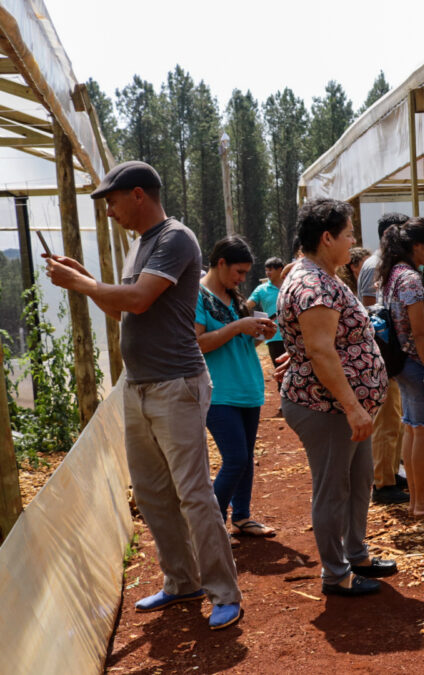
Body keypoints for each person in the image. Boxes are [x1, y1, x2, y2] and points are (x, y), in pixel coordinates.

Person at [43, 160, 243, 630]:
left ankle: (223, 592)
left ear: (137, 194)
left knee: (193, 493)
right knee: (153, 494)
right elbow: (125, 313)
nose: (109, 211)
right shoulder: (141, 248)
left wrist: (84, 284)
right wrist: (89, 282)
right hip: (139, 385)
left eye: (111, 200)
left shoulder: (175, 238)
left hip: (176, 384)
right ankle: (181, 581)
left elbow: (138, 300)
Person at [278, 198, 396, 597]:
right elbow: (321, 351)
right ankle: (335, 573)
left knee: (358, 479)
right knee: (333, 489)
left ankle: (356, 553)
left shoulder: (322, 277)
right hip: (326, 408)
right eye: (348, 234)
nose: (353, 241)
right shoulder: (313, 284)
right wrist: (351, 406)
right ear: (327, 238)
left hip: (342, 407)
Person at [195, 236, 278, 539]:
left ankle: (242, 517)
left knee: (245, 458)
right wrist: (237, 327)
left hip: (247, 387)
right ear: (220, 263)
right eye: (239, 272)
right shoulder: (198, 296)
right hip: (219, 392)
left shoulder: (235, 298)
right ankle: (210, 528)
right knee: (236, 459)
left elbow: (242, 342)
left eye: (245, 273)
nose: (242, 278)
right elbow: (198, 344)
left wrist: (261, 331)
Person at [377, 218, 424, 520]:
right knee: (423, 432)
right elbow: (419, 331)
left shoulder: (392, 274)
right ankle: (421, 502)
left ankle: (416, 499)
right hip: (415, 363)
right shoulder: (411, 279)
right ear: (418, 245)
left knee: (412, 429)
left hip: (399, 364)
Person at [363, 213, 412, 505]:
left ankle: (390, 473)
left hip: (388, 355)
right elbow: (372, 311)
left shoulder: (385, 265)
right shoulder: (375, 265)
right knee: (387, 421)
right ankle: (383, 483)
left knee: (393, 419)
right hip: (383, 354)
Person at [247, 256, 287, 368]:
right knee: (280, 370)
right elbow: (247, 305)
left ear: (280, 270)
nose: (267, 272)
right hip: (273, 336)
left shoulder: (290, 285)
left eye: (271, 269)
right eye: (266, 270)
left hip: (293, 335)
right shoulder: (261, 289)